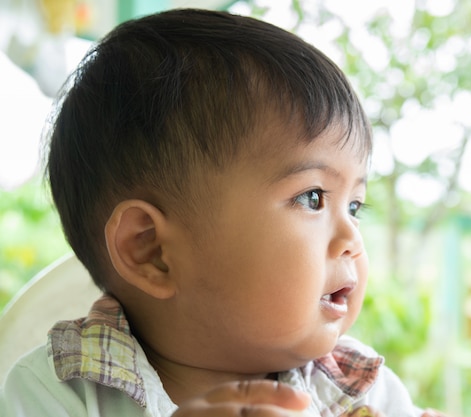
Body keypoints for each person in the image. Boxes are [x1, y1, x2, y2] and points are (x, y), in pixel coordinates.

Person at [0, 8, 447, 417]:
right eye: (313, 197)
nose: (352, 238)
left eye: (354, 205)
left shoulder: (361, 392)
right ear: (152, 250)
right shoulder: (57, 393)